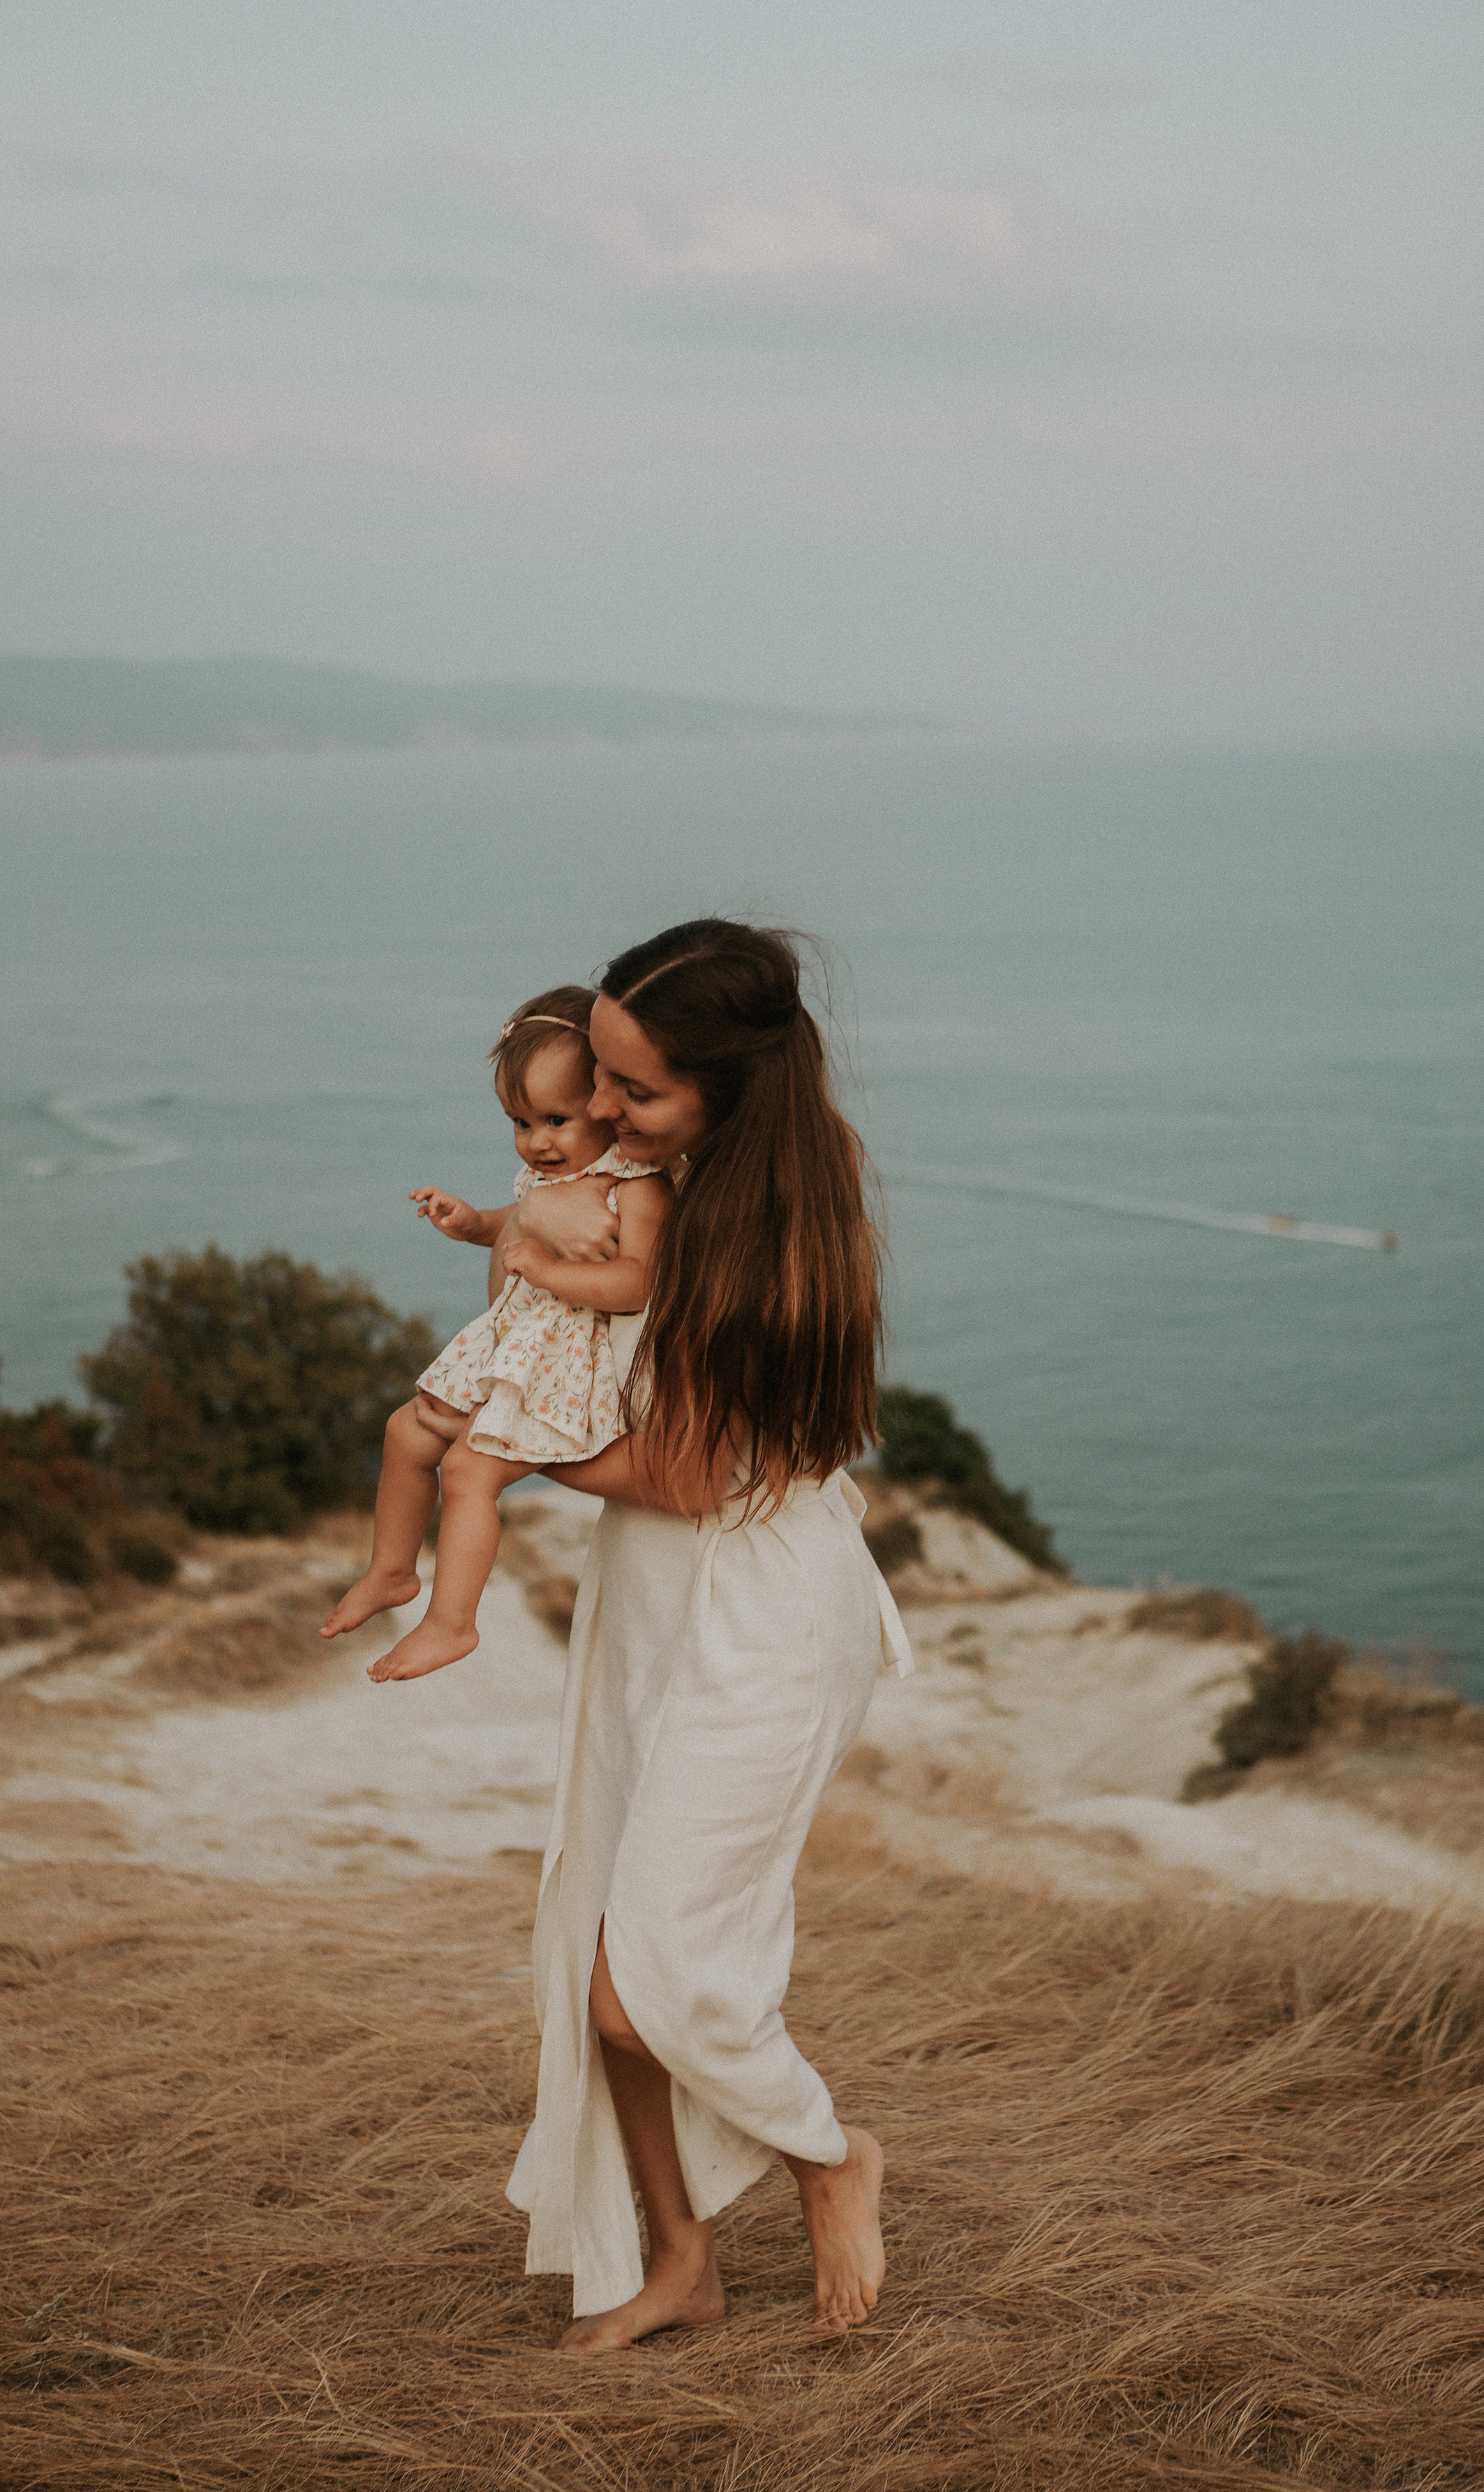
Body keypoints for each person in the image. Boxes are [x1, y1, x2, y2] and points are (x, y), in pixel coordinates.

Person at [500, 918, 914, 2352]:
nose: (603, 1113)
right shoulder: (649, 1189)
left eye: (637, 1091)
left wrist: (497, 1444)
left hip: (760, 1616)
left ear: (729, 1094)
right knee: (596, 1947)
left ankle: (828, 2155)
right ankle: (678, 2260)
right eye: (599, 1077)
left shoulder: (780, 1239)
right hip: (646, 1599)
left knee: (651, 1984)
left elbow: (680, 1475)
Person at [319, 987, 671, 1685]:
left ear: (605, 1101)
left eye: (556, 1119)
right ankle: (391, 1571)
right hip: (517, 1348)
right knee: (405, 1431)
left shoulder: (639, 1189)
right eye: (520, 1122)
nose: (537, 1141)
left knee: (468, 1470)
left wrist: (546, 1269)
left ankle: (454, 1621)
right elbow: (519, 1221)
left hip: (567, 1367)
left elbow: (637, 1283)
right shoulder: (554, 1175)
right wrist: (471, 1223)